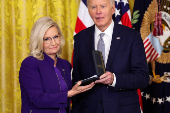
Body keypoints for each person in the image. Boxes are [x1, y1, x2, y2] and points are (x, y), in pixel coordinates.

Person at [72, 0, 150, 113]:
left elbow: (142, 78)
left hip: (123, 109)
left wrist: (114, 79)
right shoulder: (80, 38)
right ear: (88, 11)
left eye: (103, 6)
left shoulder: (132, 36)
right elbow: (77, 81)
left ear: (112, 9)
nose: (98, 11)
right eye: (94, 7)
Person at [19, 17, 95, 113]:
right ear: (38, 41)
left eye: (56, 37)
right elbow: (38, 99)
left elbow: (73, 97)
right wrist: (69, 93)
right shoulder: (30, 63)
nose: (53, 43)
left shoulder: (65, 65)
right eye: (47, 39)